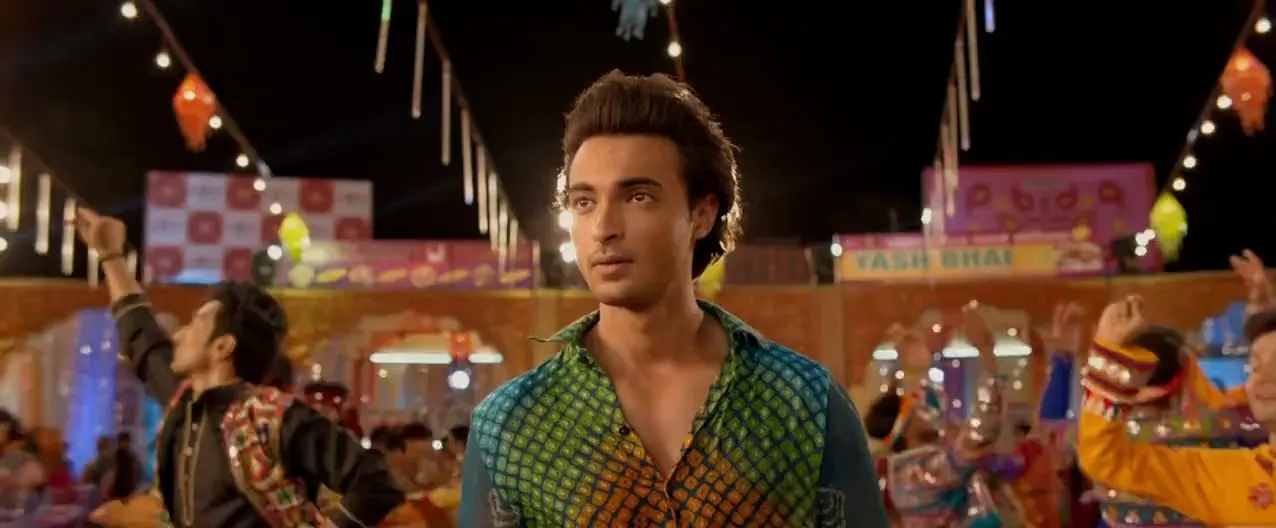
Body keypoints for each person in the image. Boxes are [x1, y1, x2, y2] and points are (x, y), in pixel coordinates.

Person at [458, 71, 885, 527]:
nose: (604, 228)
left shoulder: (804, 404)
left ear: (701, 214)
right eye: (584, 202)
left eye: (638, 196)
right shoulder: (511, 426)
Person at [76, 209, 404, 528]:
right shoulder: (183, 402)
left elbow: (375, 481)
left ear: (222, 346)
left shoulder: (277, 418)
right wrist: (111, 257)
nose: (179, 334)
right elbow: (141, 335)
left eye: (196, 323)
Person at [1078, 295, 1276, 525]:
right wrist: (1112, 356)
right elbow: (1107, 459)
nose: (1261, 379)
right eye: (1255, 367)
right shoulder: (1228, 476)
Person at [867, 307, 1025, 527]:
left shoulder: (917, 465)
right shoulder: (915, 472)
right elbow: (981, 434)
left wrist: (920, 361)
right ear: (904, 426)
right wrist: (986, 352)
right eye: (916, 402)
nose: (925, 404)